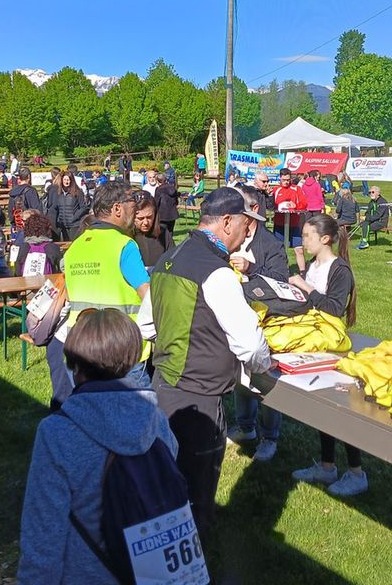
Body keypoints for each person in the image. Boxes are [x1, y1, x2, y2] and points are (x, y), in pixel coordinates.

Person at [16, 309, 178, 585]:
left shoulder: (57, 433)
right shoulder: (157, 421)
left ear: (75, 364)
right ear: (131, 358)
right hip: (151, 571)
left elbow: (43, 534)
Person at [147, 187, 272, 541]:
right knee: (195, 494)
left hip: (163, 387)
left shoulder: (170, 257)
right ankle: (193, 558)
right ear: (228, 222)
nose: (247, 235)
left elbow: (146, 325)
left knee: (164, 485)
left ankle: (162, 554)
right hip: (199, 399)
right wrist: (265, 365)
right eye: (246, 226)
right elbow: (250, 344)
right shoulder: (217, 273)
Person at [287, 214, 366, 496]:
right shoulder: (313, 264)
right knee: (323, 408)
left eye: (308, 236)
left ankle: (357, 472)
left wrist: (305, 288)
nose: (303, 240)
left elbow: (333, 308)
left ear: (325, 239)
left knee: (343, 410)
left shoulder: (339, 270)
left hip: (332, 347)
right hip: (314, 345)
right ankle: (327, 466)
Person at [56, 181, 152, 408]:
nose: (135, 212)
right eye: (132, 205)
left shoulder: (76, 246)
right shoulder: (124, 245)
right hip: (123, 350)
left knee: (90, 414)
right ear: (117, 208)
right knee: (137, 418)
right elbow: (147, 295)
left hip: (83, 346)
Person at [228, 186, 290, 462]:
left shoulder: (271, 244)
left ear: (253, 211)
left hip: (267, 320)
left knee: (266, 378)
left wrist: (251, 269)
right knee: (241, 372)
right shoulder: (230, 237)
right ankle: (246, 427)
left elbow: (282, 282)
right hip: (236, 316)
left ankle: (269, 437)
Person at [273, 168, 308, 271]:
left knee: (299, 250)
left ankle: (303, 272)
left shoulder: (296, 189)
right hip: (280, 224)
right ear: (280, 178)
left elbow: (304, 203)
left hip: (293, 223)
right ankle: (282, 270)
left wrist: (296, 205)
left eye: (288, 180)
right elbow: (272, 204)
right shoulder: (276, 190)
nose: (286, 182)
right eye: (284, 180)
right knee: (280, 250)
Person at [13, 213, 62, 277]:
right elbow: (61, 268)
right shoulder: (52, 247)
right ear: (47, 229)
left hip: (26, 281)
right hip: (49, 281)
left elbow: (18, 271)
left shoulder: (24, 247)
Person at [133, 194, 174, 268]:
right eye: (140, 218)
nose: (146, 222)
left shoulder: (163, 232)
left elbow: (172, 258)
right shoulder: (125, 235)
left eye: (149, 217)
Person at [48, 170, 87, 242]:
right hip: (63, 225)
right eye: (65, 180)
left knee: (73, 243)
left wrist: (75, 216)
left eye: (68, 180)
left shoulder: (78, 192)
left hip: (74, 225)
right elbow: (55, 207)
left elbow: (83, 207)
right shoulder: (58, 192)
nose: (66, 182)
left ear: (71, 181)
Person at [354, 186, 389, 251]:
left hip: (381, 221)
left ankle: (364, 242)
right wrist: (366, 218)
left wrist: (366, 218)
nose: (371, 194)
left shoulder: (383, 202)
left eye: (373, 192)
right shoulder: (372, 201)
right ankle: (364, 242)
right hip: (373, 220)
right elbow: (368, 212)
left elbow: (378, 215)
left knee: (366, 226)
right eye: (369, 192)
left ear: (378, 193)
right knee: (364, 223)